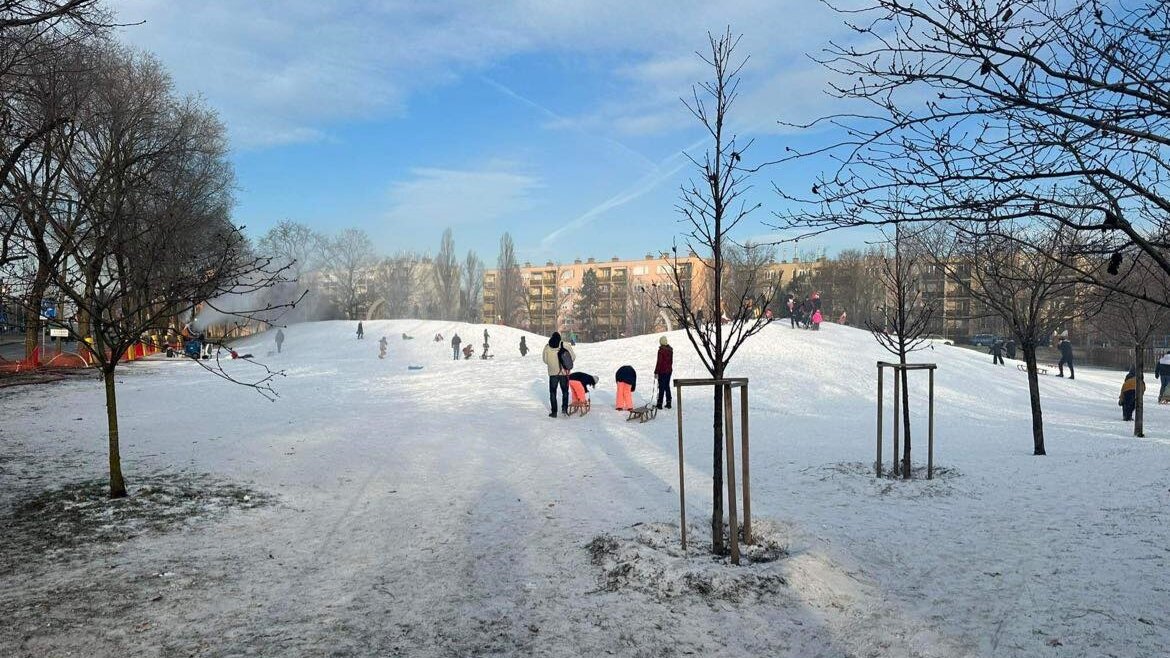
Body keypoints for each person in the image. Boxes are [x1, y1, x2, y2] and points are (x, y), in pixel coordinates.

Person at [543, 331, 575, 417]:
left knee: (553, 392)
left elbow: (545, 360)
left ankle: (554, 412)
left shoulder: (547, 347)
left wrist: (552, 364)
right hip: (564, 373)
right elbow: (573, 357)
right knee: (565, 391)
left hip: (552, 373)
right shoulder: (565, 345)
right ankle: (564, 409)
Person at [654, 336, 673, 410]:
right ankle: (668, 403)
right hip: (669, 371)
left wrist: (656, 372)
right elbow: (671, 361)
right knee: (667, 386)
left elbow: (659, 362)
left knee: (661, 387)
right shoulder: (670, 350)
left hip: (662, 371)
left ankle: (659, 404)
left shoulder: (661, 351)